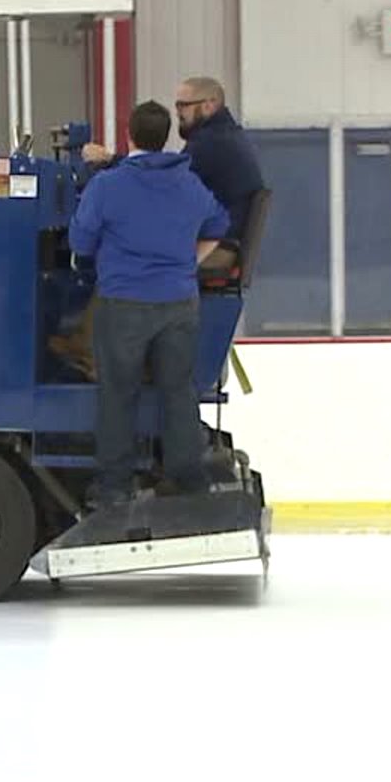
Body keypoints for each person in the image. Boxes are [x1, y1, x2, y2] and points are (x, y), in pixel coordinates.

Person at [69, 100, 230, 508]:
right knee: (178, 391)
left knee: (118, 393)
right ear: (166, 138)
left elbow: (80, 243)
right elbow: (219, 224)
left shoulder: (107, 185)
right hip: (179, 302)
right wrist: (187, 262)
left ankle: (114, 486)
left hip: (124, 302)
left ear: (129, 135)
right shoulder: (188, 184)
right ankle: (188, 480)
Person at [82, 75, 263, 269]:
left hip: (217, 249)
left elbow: (164, 180)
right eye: (177, 105)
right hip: (220, 242)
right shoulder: (224, 135)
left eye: (183, 105)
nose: (178, 112)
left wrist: (111, 161)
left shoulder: (212, 143)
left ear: (209, 105)